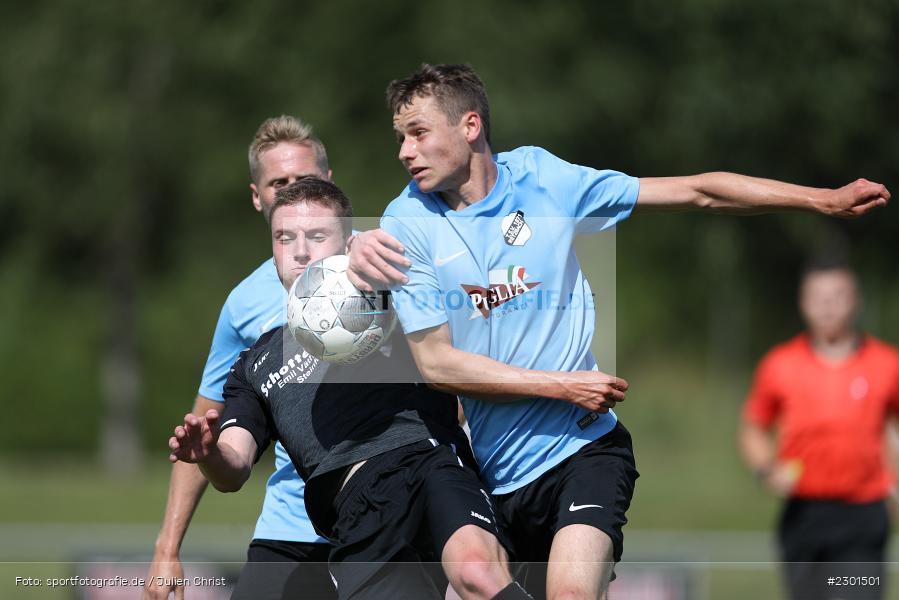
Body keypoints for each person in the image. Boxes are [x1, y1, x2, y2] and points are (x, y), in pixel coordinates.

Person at [345, 63, 891, 599]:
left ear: (470, 125)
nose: (405, 152)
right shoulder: (405, 223)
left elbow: (697, 191)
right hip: (493, 472)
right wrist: (561, 385)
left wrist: (819, 199)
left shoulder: (544, 179)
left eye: (418, 133)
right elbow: (437, 364)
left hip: (585, 450)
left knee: (570, 593)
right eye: (400, 138)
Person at [168, 176, 533, 600]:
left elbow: (473, 298)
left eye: (316, 236)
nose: (299, 251)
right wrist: (209, 455)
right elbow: (233, 467)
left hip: (428, 461)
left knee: (477, 572)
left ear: (348, 243)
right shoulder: (254, 363)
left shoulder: (394, 295)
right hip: (355, 507)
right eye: (284, 238)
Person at [144, 116, 337, 600]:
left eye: (305, 179)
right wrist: (167, 548)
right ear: (257, 197)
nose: (292, 192)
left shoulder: (379, 264)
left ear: (330, 183)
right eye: (279, 183)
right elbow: (206, 427)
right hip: (292, 527)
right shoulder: (243, 305)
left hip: (389, 520)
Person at [739, 260, 899, 600]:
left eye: (838, 296)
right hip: (804, 513)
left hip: (864, 512)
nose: (828, 306)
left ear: (856, 301)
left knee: (856, 593)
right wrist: (767, 469)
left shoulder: (887, 365)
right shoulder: (780, 364)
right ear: (803, 302)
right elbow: (754, 427)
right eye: (818, 297)